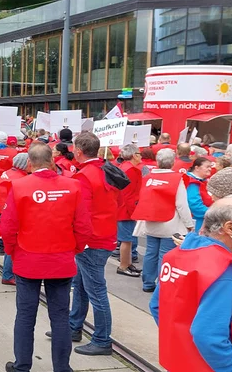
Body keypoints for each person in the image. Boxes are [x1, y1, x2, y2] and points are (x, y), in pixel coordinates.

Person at [1, 144, 92, 372]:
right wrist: (75, 249)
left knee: (25, 316)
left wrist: (12, 251)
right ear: (52, 161)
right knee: (60, 317)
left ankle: (22, 366)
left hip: (27, 260)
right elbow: (83, 226)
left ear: (30, 164)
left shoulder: (19, 186)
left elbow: (8, 226)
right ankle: (62, 368)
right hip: (61, 260)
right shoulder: (73, 186)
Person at [150, 196, 232, 372]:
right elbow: (208, 335)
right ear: (229, 228)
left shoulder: (176, 254)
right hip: (212, 364)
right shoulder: (224, 270)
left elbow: (157, 306)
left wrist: (182, 344)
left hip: (180, 360)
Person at [67, 131, 126, 356]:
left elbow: (79, 213)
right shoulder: (107, 170)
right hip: (105, 234)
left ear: (79, 151)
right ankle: (74, 326)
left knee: (95, 290)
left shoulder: (84, 176)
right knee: (81, 284)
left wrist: (77, 240)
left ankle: (102, 339)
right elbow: (118, 202)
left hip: (91, 240)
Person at [132, 149, 194, 292]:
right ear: (173, 162)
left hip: (151, 221)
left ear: (158, 162)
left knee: (150, 253)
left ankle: (147, 283)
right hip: (169, 223)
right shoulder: (177, 178)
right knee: (165, 255)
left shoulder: (148, 177)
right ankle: (162, 286)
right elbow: (181, 204)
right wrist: (189, 225)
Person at [0, 153, 30, 285]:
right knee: (13, 244)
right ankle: (8, 274)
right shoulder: (20, 178)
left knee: (9, 242)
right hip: (12, 213)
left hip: (2, 211)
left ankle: (8, 273)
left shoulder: (8, 173)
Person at [115, 144, 142, 277]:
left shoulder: (125, 168)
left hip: (124, 208)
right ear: (133, 155)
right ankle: (124, 265)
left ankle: (128, 263)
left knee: (128, 239)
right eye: (138, 153)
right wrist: (134, 212)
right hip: (126, 210)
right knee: (126, 239)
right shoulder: (131, 170)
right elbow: (129, 195)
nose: (140, 156)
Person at [186, 157, 214, 232]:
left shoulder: (201, 181)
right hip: (197, 221)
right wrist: (214, 213)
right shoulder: (192, 182)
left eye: (210, 167)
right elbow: (194, 205)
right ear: (197, 168)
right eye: (207, 167)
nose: (210, 169)